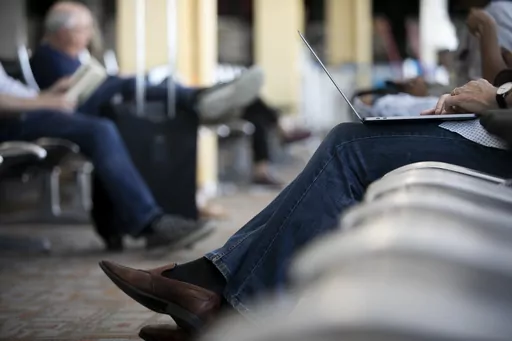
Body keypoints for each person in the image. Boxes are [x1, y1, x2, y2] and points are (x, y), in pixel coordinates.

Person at [100, 76, 512, 338]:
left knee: (348, 147)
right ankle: (214, 296)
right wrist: (487, 89)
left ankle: (223, 301)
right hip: (489, 131)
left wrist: (494, 101)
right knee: (347, 141)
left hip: (500, 143)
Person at [0, 63, 212, 252]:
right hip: (15, 120)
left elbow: (11, 90)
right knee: (100, 128)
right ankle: (148, 222)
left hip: (31, 110)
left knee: (110, 92)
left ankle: (196, 98)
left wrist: (48, 95)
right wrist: (46, 102)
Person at [31, 1, 263, 122]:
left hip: (98, 106)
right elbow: (73, 95)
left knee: (140, 87)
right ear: (62, 32)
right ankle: (200, 99)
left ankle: (204, 99)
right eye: (83, 30)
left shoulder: (72, 55)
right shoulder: (47, 57)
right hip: (79, 111)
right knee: (133, 85)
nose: (89, 35)